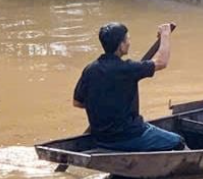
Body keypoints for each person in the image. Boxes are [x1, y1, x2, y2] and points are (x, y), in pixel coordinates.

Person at [72, 22, 184, 151]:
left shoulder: (90, 69)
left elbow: (77, 102)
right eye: (127, 39)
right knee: (178, 142)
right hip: (129, 136)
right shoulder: (127, 69)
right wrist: (165, 35)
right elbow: (161, 62)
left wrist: (104, 105)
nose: (129, 43)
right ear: (120, 45)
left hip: (101, 138)